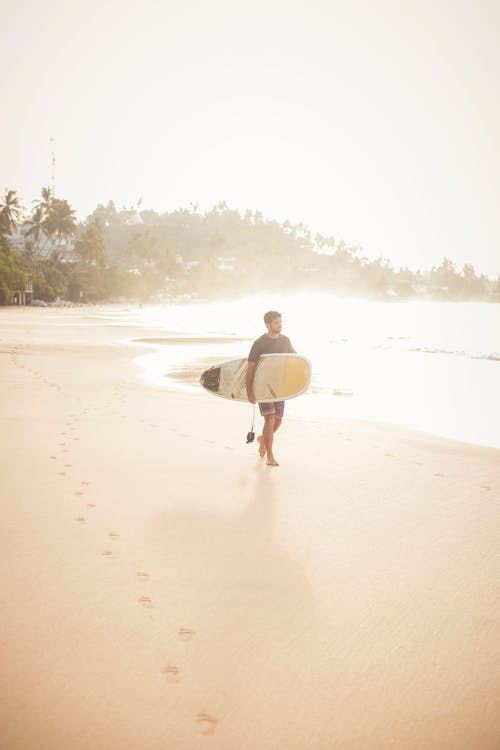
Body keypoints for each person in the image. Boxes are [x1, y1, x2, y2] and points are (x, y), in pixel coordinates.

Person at [246, 310, 296, 467]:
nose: (279, 324)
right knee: (270, 419)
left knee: (278, 420)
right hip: (263, 387)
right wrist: (250, 391)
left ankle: (263, 440)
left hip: (280, 387)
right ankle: (270, 456)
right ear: (267, 325)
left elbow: (295, 360)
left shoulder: (285, 341)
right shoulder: (259, 343)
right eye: (276, 322)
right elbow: (250, 369)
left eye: (280, 322)